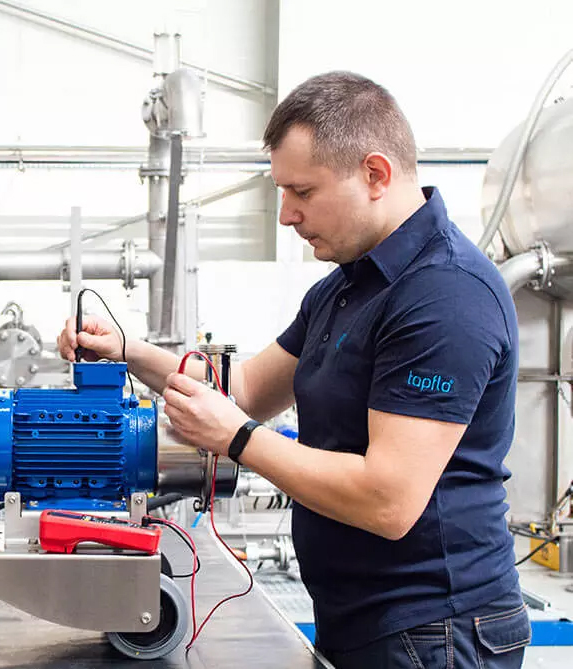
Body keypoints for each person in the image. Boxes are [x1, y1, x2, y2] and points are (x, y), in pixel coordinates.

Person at [56, 71, 529, 668]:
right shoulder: (347, 286)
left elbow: (388, 500)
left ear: (375, 175)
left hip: (435, 630)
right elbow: (246, 390)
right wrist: (128, 349)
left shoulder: (444, 296)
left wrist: (236, 439)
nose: (286, 215)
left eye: (302, 191)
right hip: (364, 619)